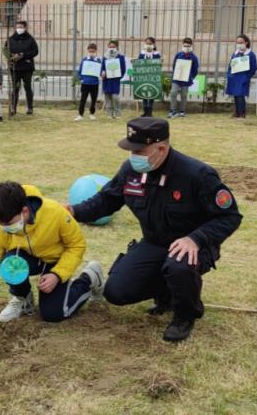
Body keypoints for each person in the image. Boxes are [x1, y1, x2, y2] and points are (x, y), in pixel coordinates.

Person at [66, 117, 242, 342]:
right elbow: (106, 200)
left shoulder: (197, 174)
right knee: (116, 292)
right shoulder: (131, 170)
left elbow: (230, 216)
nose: (134, 156)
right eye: (132, 150)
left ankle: (185, 314)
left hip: (193, 246)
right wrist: (74, 210)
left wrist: (196, 239)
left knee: (179, 266)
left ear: (161, 148)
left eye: (140, 151)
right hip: (155, 242)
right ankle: (167, 293)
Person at [0, 182, 104, 341]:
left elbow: (77, 245)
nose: (4, 228)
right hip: (28, 259)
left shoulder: (56, 213)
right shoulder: (2, 224)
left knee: (54, 314)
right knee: (10, 263)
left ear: (24, 211)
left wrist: (57, 275)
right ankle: (24, 300)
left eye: (8, 224)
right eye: (0, 224)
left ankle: (90, 278)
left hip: (55, 261)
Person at [5, 20, 39, 115]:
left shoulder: (30, 39)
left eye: (21, 27)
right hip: (15, 67)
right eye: (17, 27)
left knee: (27, 87)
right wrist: (11, 57)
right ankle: (13, 108)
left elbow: (35, 51)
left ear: (25, 28)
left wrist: (23, 55)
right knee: (15, 88)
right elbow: (5, 50)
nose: (19, 29)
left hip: (27, 67)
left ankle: (30, 108)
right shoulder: (10, 39)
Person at [226, 34, 257, 119]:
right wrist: (229, 75)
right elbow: (230, 65)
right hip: (234, 77)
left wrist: (247, 77)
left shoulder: (250, 54)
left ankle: (242, 113)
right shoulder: (235, 53)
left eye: (241, 42)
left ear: (246, 42)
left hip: (243, 78)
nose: (239, 44)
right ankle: (236, 112)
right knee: (235, 95)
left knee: (240, 95)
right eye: (238, 42)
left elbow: (254, 68)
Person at [168, 37, 199, 118]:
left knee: (184, 95)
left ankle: (182, 111)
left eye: (188, 46)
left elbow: (195, 69)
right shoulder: (178, 55)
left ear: (191, 46)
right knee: (173, 93)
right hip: (177, 78)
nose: (186, 48)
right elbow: (174, 66)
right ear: (182, 45)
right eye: (185, 46)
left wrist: (191, 77)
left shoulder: (194, 57)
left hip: (186, 79)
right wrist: (176, 74)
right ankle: (172, 110)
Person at [75, 43, 101, 121]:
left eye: (93, 51)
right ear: (88, 51)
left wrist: (102, 73)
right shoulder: (84, 60)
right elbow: (79, 70)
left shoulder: (98, 61)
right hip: (85, 83)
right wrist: (81, 78)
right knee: (83, 99)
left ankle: (92, 114)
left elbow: (100, 71)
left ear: (96, 51)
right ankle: (80, 115)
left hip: (94, 83)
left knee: (94, 99)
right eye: (90, 51)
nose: (91, 53)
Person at [101, 39, 127, 120]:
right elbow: (102, 68)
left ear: (117, 47)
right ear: (108, 47)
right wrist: (102, 73)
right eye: (110, 46)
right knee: (107, 97)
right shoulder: (105, 57)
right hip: (107, 81)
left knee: (115, 97)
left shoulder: (120, 57)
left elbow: (123, 69)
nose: (111, 48)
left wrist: (119, 75)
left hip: (115, 80)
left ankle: (118, 113)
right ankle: (109, 114)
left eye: (113, 46)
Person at [138, 37, 161, 117]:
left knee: (152, 93)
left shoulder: (156, 54)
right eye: (147, 43)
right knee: (144, 93)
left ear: (153, 44)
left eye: (150, 44)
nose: (148, 45)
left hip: (153, 76)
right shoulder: (142, 54)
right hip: (143, 76)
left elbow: (158, 64)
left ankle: (150, 112)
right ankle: (145, 111)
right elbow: (138, 63)